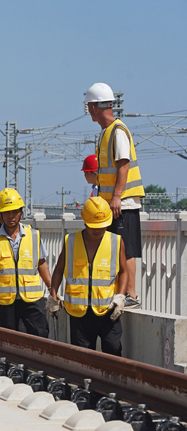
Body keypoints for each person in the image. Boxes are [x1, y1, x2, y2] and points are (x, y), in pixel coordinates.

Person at [84, 82, 144, 309]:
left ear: (93, 107)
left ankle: (131, 295)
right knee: (118, 249)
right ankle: (121, 292)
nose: (89, 111)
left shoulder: (118, 131)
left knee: (126, 249)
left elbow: (123, 165)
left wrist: (117, 196)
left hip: (124, 203)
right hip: (113, 204)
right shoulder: (106, 133)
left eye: (89, 106)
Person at [48, 197, 126, 356]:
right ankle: (86, 381)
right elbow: (59, 269)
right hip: (79, 314)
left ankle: (110, 381)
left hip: (108, 311)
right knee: (83, 357)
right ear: (84, 222)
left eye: (102, 226)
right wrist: (53, 296)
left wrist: (121, 296)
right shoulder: (71, 241)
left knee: (113, 349)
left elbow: (124, 271)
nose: (97, 230)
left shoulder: (116, 242)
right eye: (93, 226)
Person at [0, 189, 51, 336]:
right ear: (0, 214)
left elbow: (42, 264)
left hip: (32, 298)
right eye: (7, 212)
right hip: (4, 300)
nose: (11, 216)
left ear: (21, 213)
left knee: (40, 334)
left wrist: (53, 291)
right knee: (6, 338)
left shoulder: (33, 236)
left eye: (15, 212)